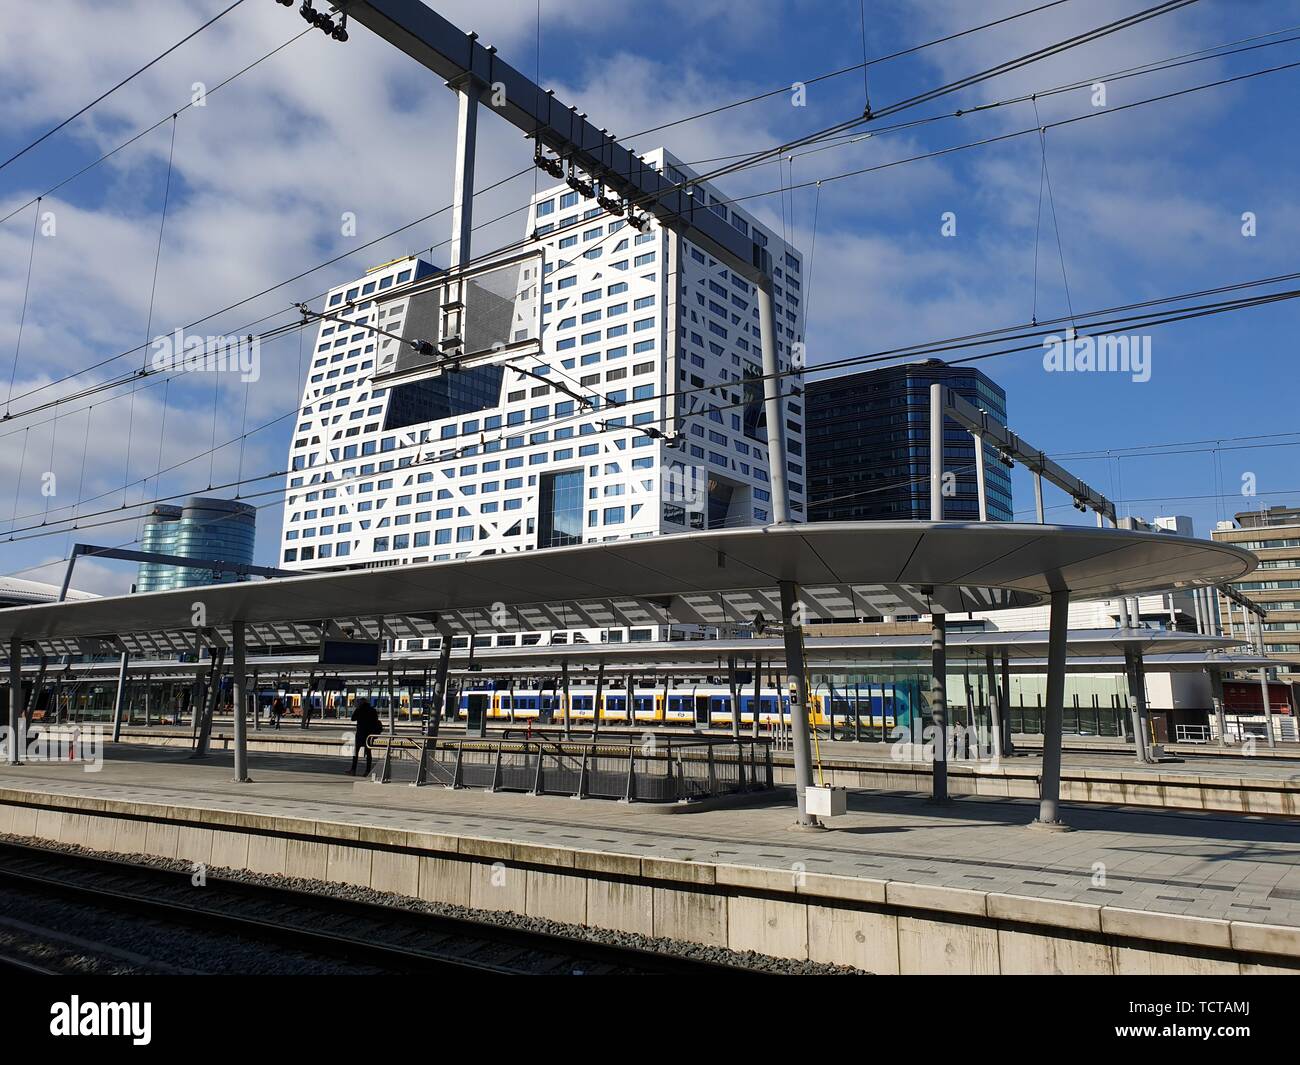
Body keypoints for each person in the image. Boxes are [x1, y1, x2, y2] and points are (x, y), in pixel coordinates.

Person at [348, 697, 382, 776]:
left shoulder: (359, 710)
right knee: (368, 753)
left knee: (355, 752)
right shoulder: (372, 710)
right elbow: (376, 721)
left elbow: (352, 718)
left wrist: (357, 709)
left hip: (360, 734)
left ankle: (353, 770)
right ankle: (367, 771)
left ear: (360, 703)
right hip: (369, 735)